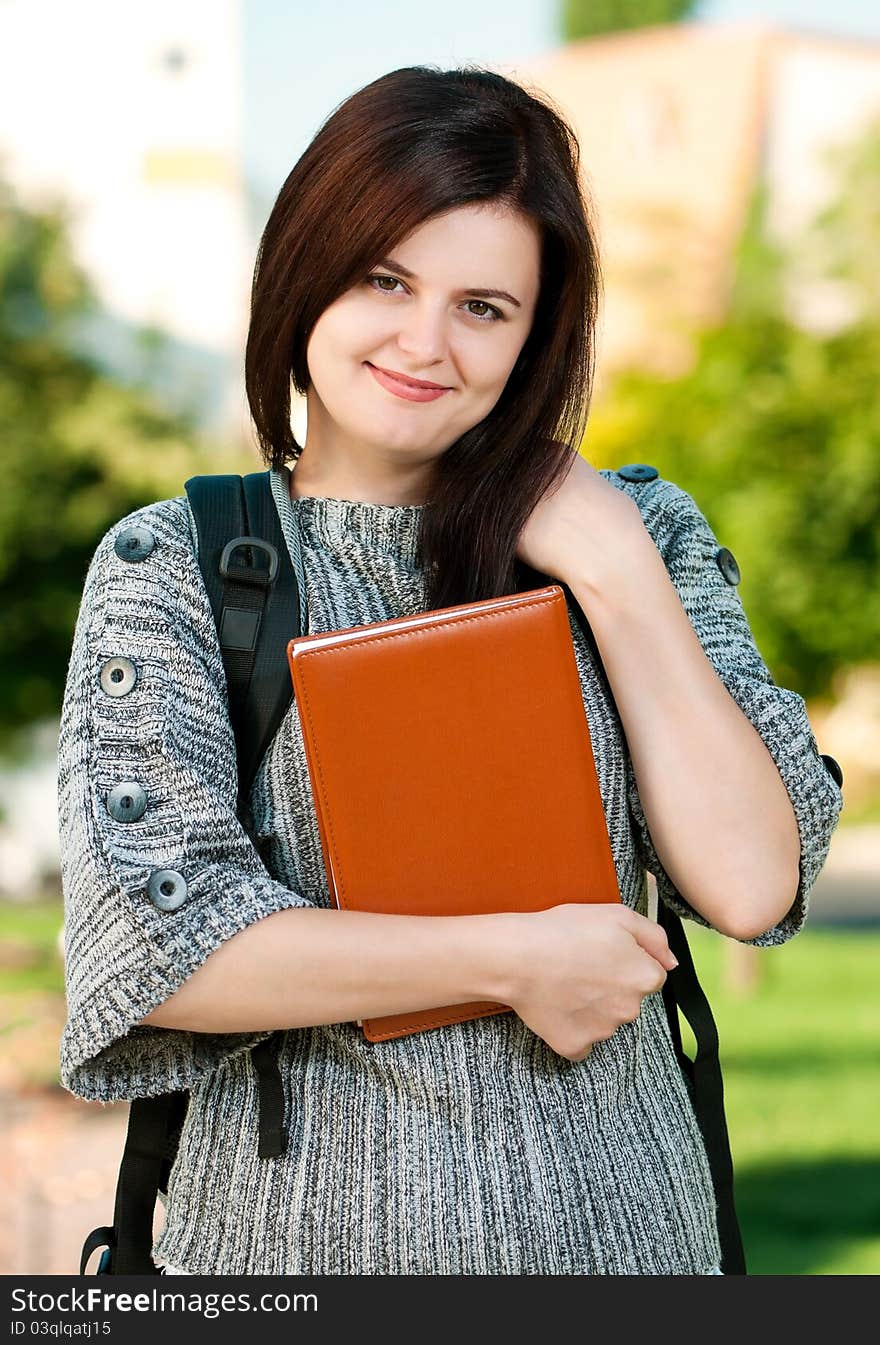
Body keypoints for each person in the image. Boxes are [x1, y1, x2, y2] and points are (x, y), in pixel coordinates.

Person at [57, 65, 843, 1276]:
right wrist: (514, 956)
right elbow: (163, 945)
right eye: (386, 279)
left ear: (537, 334)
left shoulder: (639, 534)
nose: (425, 343)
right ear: (307, 268)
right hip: (298, 1253)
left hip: (630, 1244)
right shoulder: (177, 567)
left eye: (485, 306)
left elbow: (747, 883)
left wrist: (617, 575)